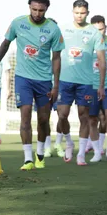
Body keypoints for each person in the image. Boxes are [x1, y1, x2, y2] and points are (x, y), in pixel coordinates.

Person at [0, 0, 64, 171]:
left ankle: (40, 155)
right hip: (23, 78)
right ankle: (27, 159)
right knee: (25, 118)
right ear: (29, 7)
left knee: (43, 120)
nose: (37, 13)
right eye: (34, 9)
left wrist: (56, 85)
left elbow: (56, 58)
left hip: (44, 80)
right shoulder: (18, 23)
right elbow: (5, 44)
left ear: (46, 9)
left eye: (41, 10)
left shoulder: (53, 29)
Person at [57, 0, 106, 166]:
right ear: (72, 12)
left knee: (84, 117)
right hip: (65, 80)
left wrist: (100, 85)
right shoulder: (63, 29)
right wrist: (54, 80)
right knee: (62, 115)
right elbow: (55, 54)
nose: (79, 16)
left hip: (85, 83)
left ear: (87, 13)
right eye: (77, 12)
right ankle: (69, 142)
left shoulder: (94, 33)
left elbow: (101, 59)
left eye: (82, 13)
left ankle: (81, 155)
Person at [86, 15, 107, 161]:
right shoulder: (86, 43)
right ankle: (96, 151)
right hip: (90, 86)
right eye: (96, 30)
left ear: (105, 28)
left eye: (101, 29)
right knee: (93, 119)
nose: (99, 33)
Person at [43, 18, 65, 158]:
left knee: (62, 115)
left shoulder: (61, 44)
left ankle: (58, 143)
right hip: (44, 83)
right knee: (44, 117)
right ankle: (46, 146)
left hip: (60, 84)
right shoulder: (40, 44)